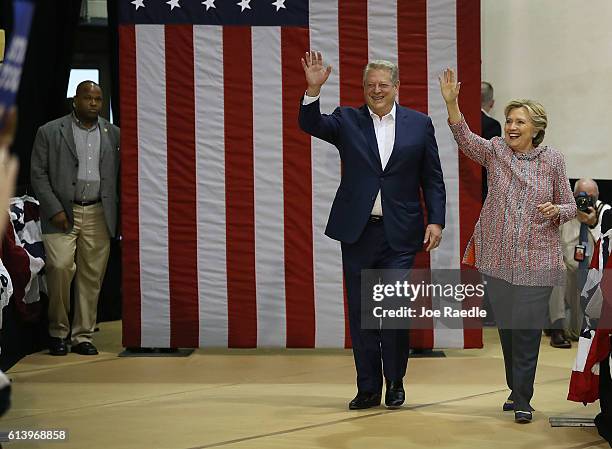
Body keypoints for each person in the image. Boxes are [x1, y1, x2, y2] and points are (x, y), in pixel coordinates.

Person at [299, 52, 446, 410]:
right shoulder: (346, 119)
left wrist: (436, 220)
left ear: (397, 87)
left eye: (383, 84)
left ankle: (395, 382)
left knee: (393, 309)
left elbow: (432, 178)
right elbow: (310, 124)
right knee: (363, 312)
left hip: (401, 233)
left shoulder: (419, 123)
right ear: (363, 89)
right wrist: (312, 90)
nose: (376, 90)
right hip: (359, 232)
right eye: (370, 85)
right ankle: (367, 387)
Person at [439, 68, 576, 423]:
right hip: (497, 258)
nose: (511, 127)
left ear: (536, 128)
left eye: (519, 122)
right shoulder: (497, 151)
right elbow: (466, 139)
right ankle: (515, 389)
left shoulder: (553, 160)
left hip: (537, 259)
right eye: (509, 120)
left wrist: (557, 209)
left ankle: (524, 399)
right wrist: (452, 104)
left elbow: (571, 204)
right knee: (509, 332)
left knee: (528, 331)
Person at [31, 81, 119, 356]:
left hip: (98, 211)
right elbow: (38, 174)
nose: (93, 103)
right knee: (59, 268)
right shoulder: (50, 131)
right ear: (75, 100)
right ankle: (58, 331)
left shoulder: (114, 134)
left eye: (98, 99)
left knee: (91, 277)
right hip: (61, 213)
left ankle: (82, 335)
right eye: (88, 98)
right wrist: (54, 208)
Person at [548, 179, 610, 348]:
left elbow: (606, 248)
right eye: (582, 196)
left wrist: (592, 223)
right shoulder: (563, 214)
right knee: (556, 270)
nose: (586, 201)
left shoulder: (605, 214)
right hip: (565, 271)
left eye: (591, 197)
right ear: (573, 196)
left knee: (579, 331)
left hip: (590, 275)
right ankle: (557, 329)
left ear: (597, 196)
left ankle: (581, 328)